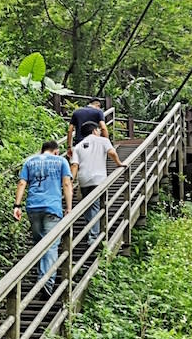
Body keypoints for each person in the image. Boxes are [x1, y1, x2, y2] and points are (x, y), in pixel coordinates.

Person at [13, 140, 73, 297]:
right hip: (52, 208)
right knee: (51, 246)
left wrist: (17, 206)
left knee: (40, 244)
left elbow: (21, 183)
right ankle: (46, 285)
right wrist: (69, 207)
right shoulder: (61, 161)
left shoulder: (30, 161)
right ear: (55, 151)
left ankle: (42, 278)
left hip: (33, 207)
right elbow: (66, 184)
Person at [70, 122, 126, 245]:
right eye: (98, 130)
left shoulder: (78, 146)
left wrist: (70, 182)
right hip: (99, 179)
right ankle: (94, 237)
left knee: (89, 207)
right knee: (97, 206)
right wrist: (119, 163)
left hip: (84, 180)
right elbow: (111, 152)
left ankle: (93, 232)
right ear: (95, 131)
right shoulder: (103, 141)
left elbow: (74, 165)